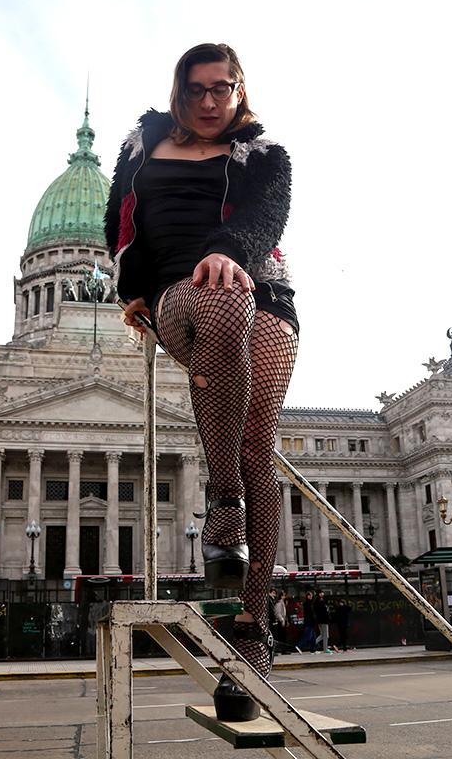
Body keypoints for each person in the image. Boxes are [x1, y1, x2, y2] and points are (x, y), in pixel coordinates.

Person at [105, 43, 296, 722]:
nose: (211, 100)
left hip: (258, 286)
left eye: (224, 87)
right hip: (180, 294)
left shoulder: (266, 154)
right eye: (197, 89)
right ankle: (223, 502)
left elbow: (264, 218)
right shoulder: (141, 148)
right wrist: (130, 288)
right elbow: (118, 223)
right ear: (179, 93)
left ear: (239, 90)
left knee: (257, 441)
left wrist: (230, 252)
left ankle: (251, 627)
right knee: (216, 302)